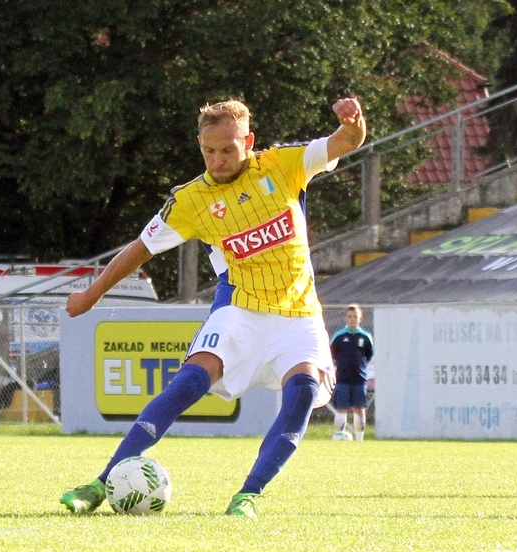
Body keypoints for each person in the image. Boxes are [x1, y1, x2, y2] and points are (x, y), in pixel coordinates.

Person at [60, 96, 367, 517]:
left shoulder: (284, 164)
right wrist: (91, 295)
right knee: (190, 380)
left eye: (228, 149)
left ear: (249, 140)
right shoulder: (191, 200)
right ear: (200, 145)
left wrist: (353, 122)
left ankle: (248, 496)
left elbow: (347, 140)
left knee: (304, 391)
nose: (218, 160)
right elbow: (140, 249)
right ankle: (99, 485)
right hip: (240, 307)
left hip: (298, 314)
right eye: (209, 151)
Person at [329, 304, 374, 441]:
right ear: (345, 319)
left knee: (359, 409)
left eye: (355, 316)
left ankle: (359, 439)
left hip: (359, 379)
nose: (352, 319)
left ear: (360, 319)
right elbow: (332, 354)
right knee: (341, 408)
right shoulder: (339, 336)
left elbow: (368, 354)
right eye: (349, 316)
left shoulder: (365, 337)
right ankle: (338, 436)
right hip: (342, 377)